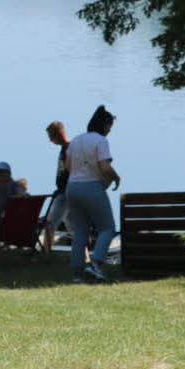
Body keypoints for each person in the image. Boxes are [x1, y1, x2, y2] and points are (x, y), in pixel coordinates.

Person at [66, 105, 122, 284]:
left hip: (72, 188)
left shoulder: (76, 140)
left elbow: (67, 167)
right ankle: (96, 264)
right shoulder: (101, 141)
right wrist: (116, 177)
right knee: (107, 228)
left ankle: (77, 273)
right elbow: (105, 167)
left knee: (80, 230)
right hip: (91, 187)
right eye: (109, 127)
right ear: (104, 125)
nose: (109, 131)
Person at [42, 121, 71, 250]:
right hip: (65, 192)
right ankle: (85, 256)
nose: (50, 141)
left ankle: (46, 252)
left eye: (51, 137)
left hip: (66, 193)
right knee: (75, 228)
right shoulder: (64, 149)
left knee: (50, 224)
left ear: (58, 133)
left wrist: (64, 188)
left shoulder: (70, 149)